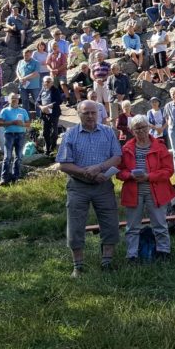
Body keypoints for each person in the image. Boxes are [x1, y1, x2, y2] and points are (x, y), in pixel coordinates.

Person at [56, 100, 122, 277]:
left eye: (94, 112)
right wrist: (87, 173)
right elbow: (63, 164)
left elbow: (117, 157)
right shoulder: (70, 134)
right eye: (86, 113)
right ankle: (77, 265)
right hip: (78, 186)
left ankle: (107, 261)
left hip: (103, 184)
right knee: (75, 224)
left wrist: (99, 168)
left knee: (110, 222)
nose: (91, 116)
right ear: (79, 114)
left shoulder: (108, 132)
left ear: (99, 113)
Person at [117, 114, 175, 262]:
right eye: (137, 129)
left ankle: (164, 252)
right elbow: (119, 171)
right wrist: (130, 176)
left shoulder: (160, 146)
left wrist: (149, 177)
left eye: (143, 127)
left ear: (149, 127)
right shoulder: (126, 148)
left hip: (155, 190)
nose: (141, 131)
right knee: (132, 227)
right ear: (132, 131)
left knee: (160, 224)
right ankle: (132, 255)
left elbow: (169, 170)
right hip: (133, 191)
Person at [0, 93, 30, 185]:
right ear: (9, 100)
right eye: (12, 98)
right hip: (9, 134)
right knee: (7, 157)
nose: (14, 100)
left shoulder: (23, 111)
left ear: (18, 100)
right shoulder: (5, 110)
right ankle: (4, 178)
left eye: (16, 98)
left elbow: (28, 124)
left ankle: (15, 177)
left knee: (19, 157)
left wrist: (22, 124)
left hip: (21, 134)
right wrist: (12, 122)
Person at [37, 76, 62, 155]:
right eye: (45, 81)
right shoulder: (42, 90)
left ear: (52, 82)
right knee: (45, 132)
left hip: (54, 113)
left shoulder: (55, 90)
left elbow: (59, 101)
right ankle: (47, 148)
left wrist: (49, 106)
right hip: (44, 114)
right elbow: (37, 102)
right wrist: (41, 107)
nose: (47, 83)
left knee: (54, 132)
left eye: (48, 81)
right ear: (43, 82)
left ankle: (53, 148)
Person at [16, 48, 41, 113]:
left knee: (37, 101)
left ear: (31, 55)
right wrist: (20, 78)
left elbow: (35, 73)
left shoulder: (36, 62)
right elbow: (17, 71)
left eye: (27, 55)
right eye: (24, 55)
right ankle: (26, 118)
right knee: (24, 102)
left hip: (34, 86)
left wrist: (24, 78)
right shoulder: (20, 62)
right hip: (23, 86)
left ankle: (39, 118)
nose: (25, 56)